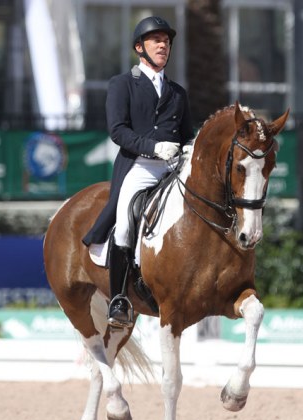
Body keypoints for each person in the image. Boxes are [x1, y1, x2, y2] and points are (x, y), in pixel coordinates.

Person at [82, 16, 194, 328]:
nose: (163, 45)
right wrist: (153, 147)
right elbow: (118, 131)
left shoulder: (178, 92)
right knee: (124, 226)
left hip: (174, 167)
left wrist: (188, 148)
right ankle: (118, 299)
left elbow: (186, 133)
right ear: (139, 47)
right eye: (156, 40)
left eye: (167, 41)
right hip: (141, 166)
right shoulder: (122, 84)